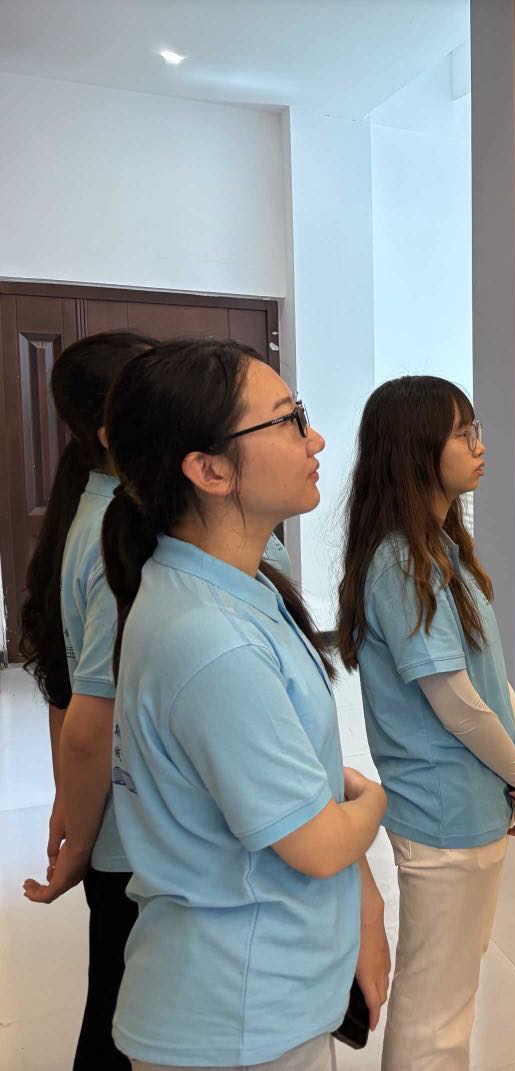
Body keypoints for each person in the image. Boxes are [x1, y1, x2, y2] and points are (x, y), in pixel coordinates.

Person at [98, 339, 390, 1070]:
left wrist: (363, 901)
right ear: (210, 470)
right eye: (290, 421)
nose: (315, 440)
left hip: (264, 994)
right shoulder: (210, 638)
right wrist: (373, 802)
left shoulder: (241, 587)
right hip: (236, 1016)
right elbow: (318, 842)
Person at [336, 376, 515, 1071]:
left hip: (473, 802)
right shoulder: (401, 561)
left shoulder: (442, 548)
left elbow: (487, 675)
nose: (480, 445)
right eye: (463, 433)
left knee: (452, 995)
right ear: (416, 450)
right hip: (443, 811)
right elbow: (454, 701)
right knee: (435, 1010)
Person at [19, 331, 155, 1069]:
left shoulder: (99, 509)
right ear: (113, 429)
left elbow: (66, 688)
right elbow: (86, 721)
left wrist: (71, 804)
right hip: (129, 835)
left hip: (116, 827)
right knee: (121, 1020)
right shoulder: (119, 536)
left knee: (116, 1004)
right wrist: (78, 835)